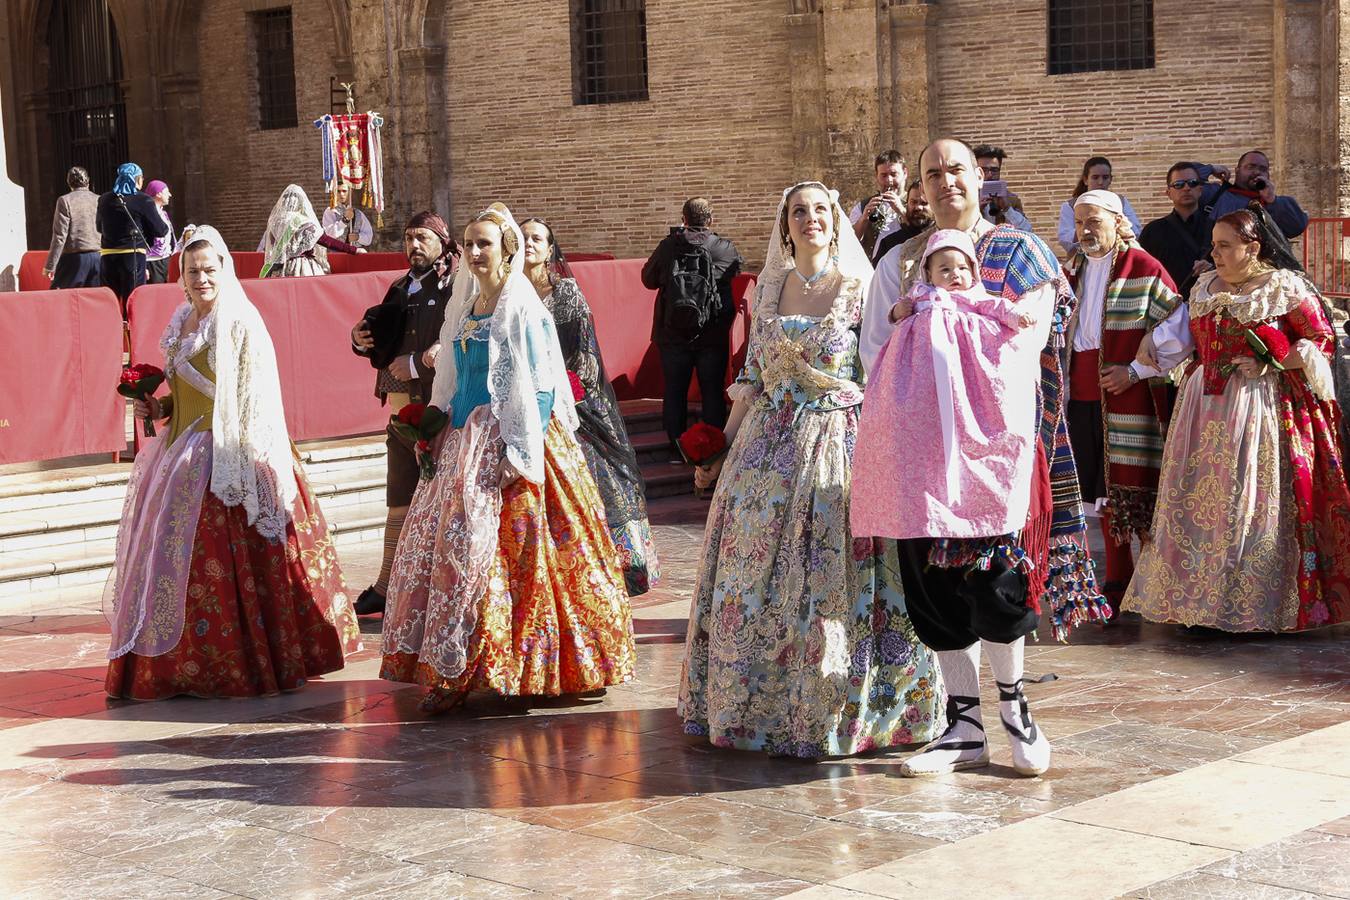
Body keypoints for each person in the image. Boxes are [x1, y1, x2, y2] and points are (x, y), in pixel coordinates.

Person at [861, 138, 1106, 778]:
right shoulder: (902, 257)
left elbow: (1029, 344)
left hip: (996, 449)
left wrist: (977, 412)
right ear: (919, 187)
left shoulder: (1020, 250)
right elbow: (877, 346)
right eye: (932, 173)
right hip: (919, 452)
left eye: (956, 170)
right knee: (931, 587)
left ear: (980, 177)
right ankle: (962, 726)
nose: (945, 183)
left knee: (996, 580)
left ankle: (1015, 709)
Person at [676, 181, 942, 758]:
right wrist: (718, 445)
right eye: (799, 211)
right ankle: (756, 706)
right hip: (763, 453)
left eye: (821, 210)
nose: (811, 219)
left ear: (836, 221)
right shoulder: (767, 288)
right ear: (784, 225)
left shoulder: (861, 287)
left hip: (836, 445)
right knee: (753, 581)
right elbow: (750, 377)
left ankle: (844, 707)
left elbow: (880, 367)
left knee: (833, 580)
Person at [381, 204, 635, 714]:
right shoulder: (464, 309)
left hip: (515, 438)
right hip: (462, 440)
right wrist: (430, 425)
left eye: (485, 244)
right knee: (457, 552)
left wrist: (520, 453)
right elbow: (451, 384)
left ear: (508, 250)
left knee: (524, 556)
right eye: (469, 244)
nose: (475, 253)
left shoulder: (522, 308)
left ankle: (541, 663)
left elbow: (541, 388)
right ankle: (457, 665)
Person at [104, 225, 359, 699]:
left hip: (229, 450)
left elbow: (253, 398)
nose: (201, 278)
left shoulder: (241, 322)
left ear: (224, 270)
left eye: (209, 269)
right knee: (164, 559)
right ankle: (170, 665)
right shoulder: (180, 320)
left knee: (222, 561)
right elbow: (184, 397)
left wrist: (243, 463)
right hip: (178, 451)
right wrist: (158, 408)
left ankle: (241, 661)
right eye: (192, 270)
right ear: (180, 276)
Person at [1124, 206, 1350, 632]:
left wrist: (1277, 360)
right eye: (1214, 245)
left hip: (1259, 408)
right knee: (1200, 503)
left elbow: (1321, 340)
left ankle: (1253, 605)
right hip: (1201, 409)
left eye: (1225, 246)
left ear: (1253, 247)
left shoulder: (1283, 288)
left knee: (1249, 501)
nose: (1216, 254)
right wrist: (1149, 348)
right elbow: (1182, 336)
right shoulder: (1205, 286)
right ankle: (1199, 603)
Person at [853, 228, 1039, 544]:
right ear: (928, 272)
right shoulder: (920, 296)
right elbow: (897, 310)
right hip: (921, 386)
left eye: (963, 268)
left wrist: (1016, 316)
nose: (956, 275)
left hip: (967, 386)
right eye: (945, 269)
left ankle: (984, 512)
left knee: (981, 437)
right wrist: (900, 311)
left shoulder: (976, 299)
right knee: (915, 442)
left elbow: (998, 308)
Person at [521, 217, 660, 596]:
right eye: (522, 238)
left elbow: (584, 356)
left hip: (573, 403)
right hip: (521, 405)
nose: (529, 244)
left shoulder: (565, 293)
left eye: (537, 239)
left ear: (550, 249)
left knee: (599, 478)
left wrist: (559, 398)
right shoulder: (509, 293)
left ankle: (616, 564)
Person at [1064, 190, 1185, 613]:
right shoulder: (1070, 271)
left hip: (1127, 394)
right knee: (1099, 492)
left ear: (1118, 221)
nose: (1085, 231)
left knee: (1135, 492)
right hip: (1079, 397)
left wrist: (1135, 370)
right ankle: (1117, 577)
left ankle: (1157, 584)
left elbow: (1178, 329)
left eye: (1093, 221)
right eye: (1079, 222)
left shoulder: (1145, 268)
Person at [349, 211, 457, 616]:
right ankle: (386, 583)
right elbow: (381, 336)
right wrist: (357, 339)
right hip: (402, 414)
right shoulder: (399, 286)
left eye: (423, 237)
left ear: (442, 241)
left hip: (442, 410)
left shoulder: (453, 286)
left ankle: (440, 586)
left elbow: (459, 339)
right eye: (409, 237)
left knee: (442, 500)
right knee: (399, 498)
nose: (414, 245)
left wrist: (417, 364)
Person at [641, 198, 743, 451]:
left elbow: (648, 279)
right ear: (710, 220)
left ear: (684, 219)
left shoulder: (668, 246)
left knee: (675, 391)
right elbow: (735, 273)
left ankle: (676, 450)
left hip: (671, 334)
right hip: (711, 335)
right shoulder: (723, 248)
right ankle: (710, 451)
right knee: (711, 393)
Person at [96, 163, 169, 308]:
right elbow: (160, 230)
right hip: (133, 256)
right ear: (137, 179)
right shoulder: (143, 200)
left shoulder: (104, 199)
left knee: (111, 301)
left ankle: (114, 329)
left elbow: (99, 227)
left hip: (108, 257)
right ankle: (131, 330)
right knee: (133, 301)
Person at [1193, 150, 1309, 239]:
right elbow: (1180, 178)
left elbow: (1296, 228)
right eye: (1250, 167)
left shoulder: (1280, 203)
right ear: (1237, 170)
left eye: (1263, 169)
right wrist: (1210, 168)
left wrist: (1272, 200)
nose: (1257, 172)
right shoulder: (1216, 194)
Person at [1138, 161, 1215, 293]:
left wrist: (1213, 270)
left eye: (1192, 183)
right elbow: (1142, 273)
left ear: (1200, 190)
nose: (1186, 188)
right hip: (1166, 306)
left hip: (1208, 305)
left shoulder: (1218, 228)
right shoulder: (1152, 231)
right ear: (1168, 193)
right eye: (1179, 185)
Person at [258, 184, 364, 277]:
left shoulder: (275, 222)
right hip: (302, 267)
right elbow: (326, 241)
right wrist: (354, 250)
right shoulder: (302, 221)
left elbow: (269, 245)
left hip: (281, 267)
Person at [1057, 157, 1142, 256]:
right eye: (1095, 177)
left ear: (1110, 179)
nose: (1100, 182)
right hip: (1083, 258)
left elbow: (1135, 231)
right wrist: (1088, 228)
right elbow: (1065, 238)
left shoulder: (1121, 202)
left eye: (1105, 177)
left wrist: (1109, 229)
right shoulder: (1071, 206)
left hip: (1116, 256)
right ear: (1085, 180)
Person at [43, 166, 101, 288]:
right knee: (94, 300)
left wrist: (50, 265)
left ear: (69, 182)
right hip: (98, 257)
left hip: (74, 260)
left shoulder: (65, 201)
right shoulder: (99, 200)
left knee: (61, 299)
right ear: (88, 181)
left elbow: (59, 236)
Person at [848, 150, 908, 258]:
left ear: (905, 173)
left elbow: (924, 231)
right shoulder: (862, 206)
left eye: (894, 174)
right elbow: (850, 243)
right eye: (883, 175)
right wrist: (863, 219)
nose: (889, 180)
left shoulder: (917, 203)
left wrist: (901, 210)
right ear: (876, 176)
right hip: (874, 270)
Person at [870, 177, 933, 265]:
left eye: (924, 203)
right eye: (913, 202)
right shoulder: (889, 243)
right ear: (907, 204)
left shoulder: (942, 238)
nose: (918, 207)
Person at [973, 144, 1032, 231]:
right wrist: (976, 210)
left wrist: (1007, 209)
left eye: (994, 170)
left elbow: (1027, 231)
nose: (989, 175)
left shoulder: (1011, 199)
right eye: (984, 170)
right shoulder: (966, 199)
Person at [143, 179, 177, 285]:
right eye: (167, 192)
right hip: (152, 262)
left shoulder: (164, 214)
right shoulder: (145, 213)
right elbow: (141, 239)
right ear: (158, 194)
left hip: (166, 260)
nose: (170, 195)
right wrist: (143, 266)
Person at [322, 181, 374, 249]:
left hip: (356, 253)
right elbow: (330, 234)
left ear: (350, 192)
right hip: (338, 253)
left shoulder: (358, 213)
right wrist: (345, 220)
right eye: (338, 191)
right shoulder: (330, 211)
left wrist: (358, 237)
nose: (341, 194)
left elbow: (368, 237)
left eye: (344, 191)